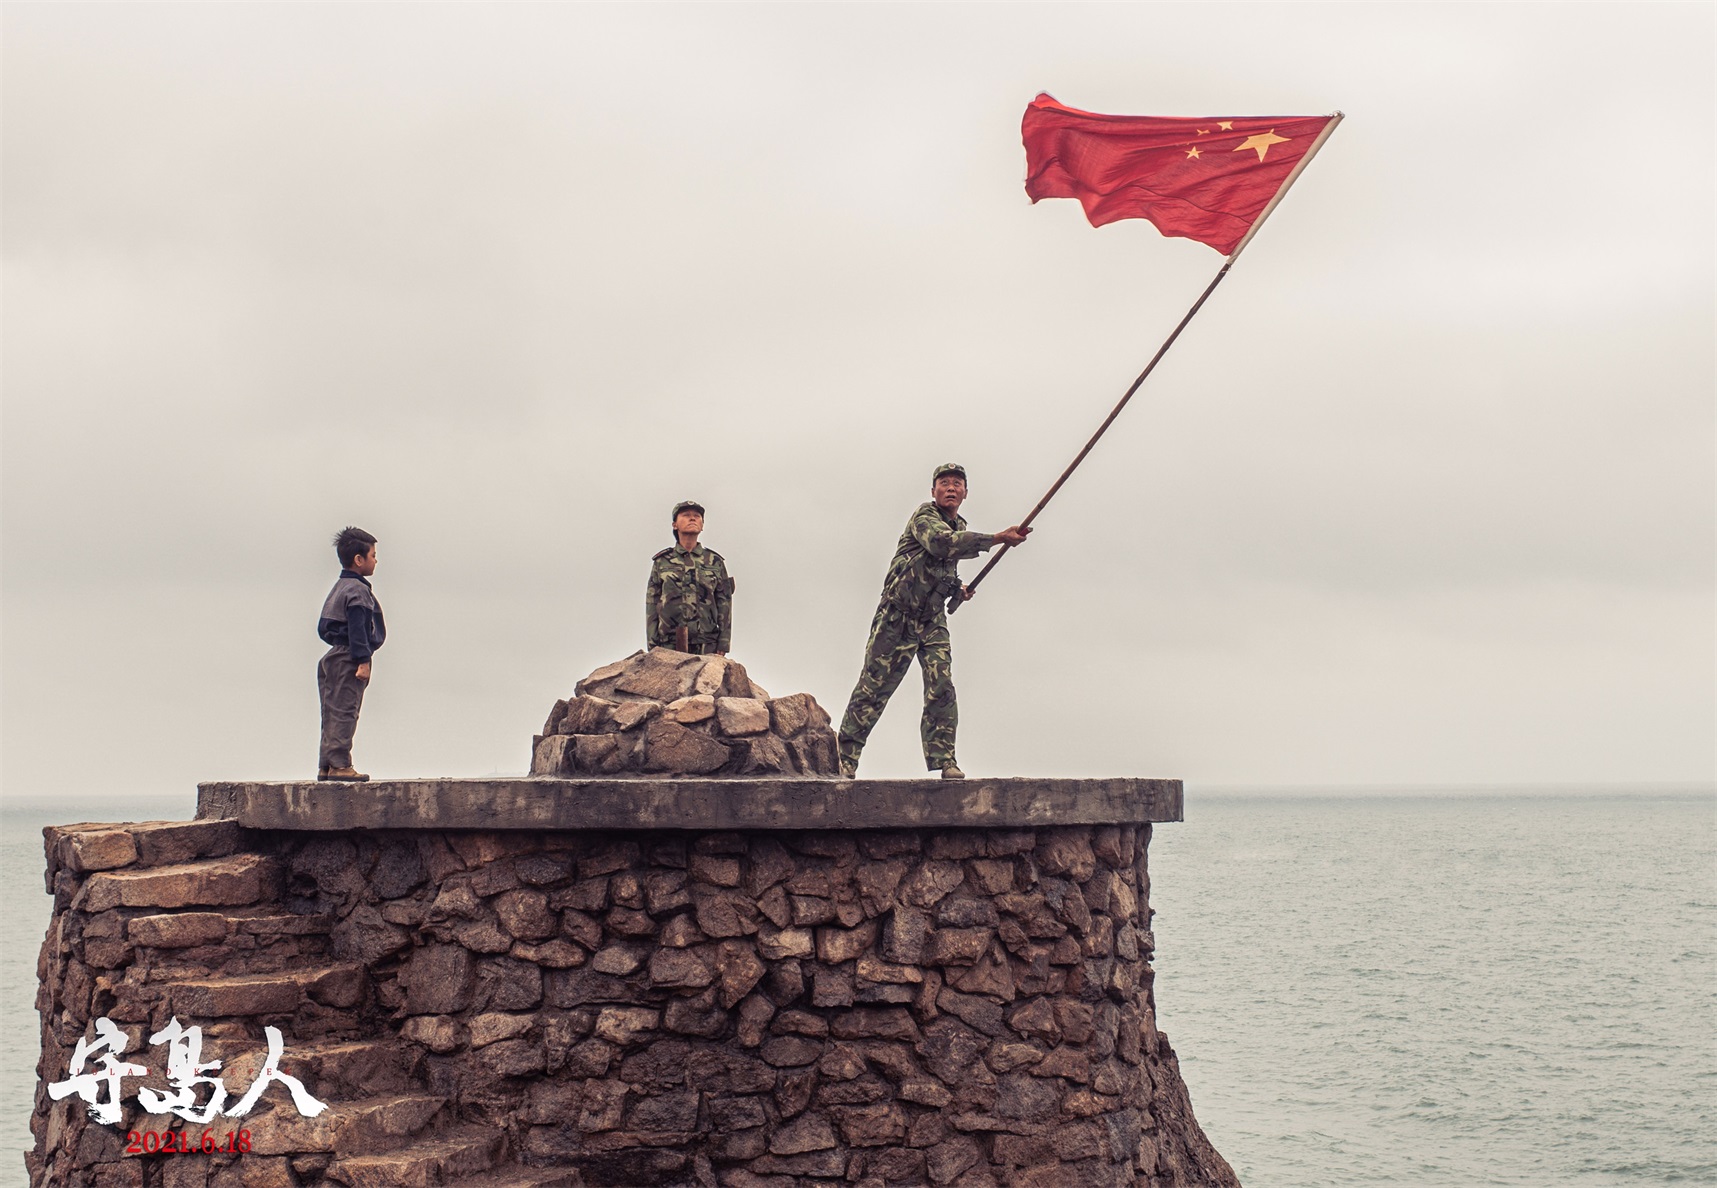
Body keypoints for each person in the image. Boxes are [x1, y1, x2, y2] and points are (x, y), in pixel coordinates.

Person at [837, 463, 1029, 779]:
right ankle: (844, 758)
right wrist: (997, 538)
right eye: (944, 483)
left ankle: (945, 760)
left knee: (941, 686)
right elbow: (940, 545)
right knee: (873, 688)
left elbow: (942, 569)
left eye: (957, 483)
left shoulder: (959, 526)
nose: (950, 488)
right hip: (898, 616)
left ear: (965, 493)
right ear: (933, 491)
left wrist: (957, 589)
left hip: (932, 620)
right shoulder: (925, 518)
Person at [316, 526, 385, 781]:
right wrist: (363, 660)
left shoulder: (339, 587)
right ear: (359, 559)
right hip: (349, 657)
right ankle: (340, 765)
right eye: (373, 555)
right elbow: (358, 628)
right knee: (345, 710)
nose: (376, 560)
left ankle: (327, 765)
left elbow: (324, 627)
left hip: (333, 656)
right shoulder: (357, 590)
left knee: (330, 710)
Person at [646, 500, 734, 655]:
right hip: (669, 644)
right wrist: (653, 645)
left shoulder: (715, 561)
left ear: (702, 525)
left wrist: (724, 642)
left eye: (697, 516)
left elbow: (724, 602)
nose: (692, 518)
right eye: (686, 515)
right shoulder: (662, 562)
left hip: (707, 644)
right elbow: (652, 603)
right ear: (675, 525)